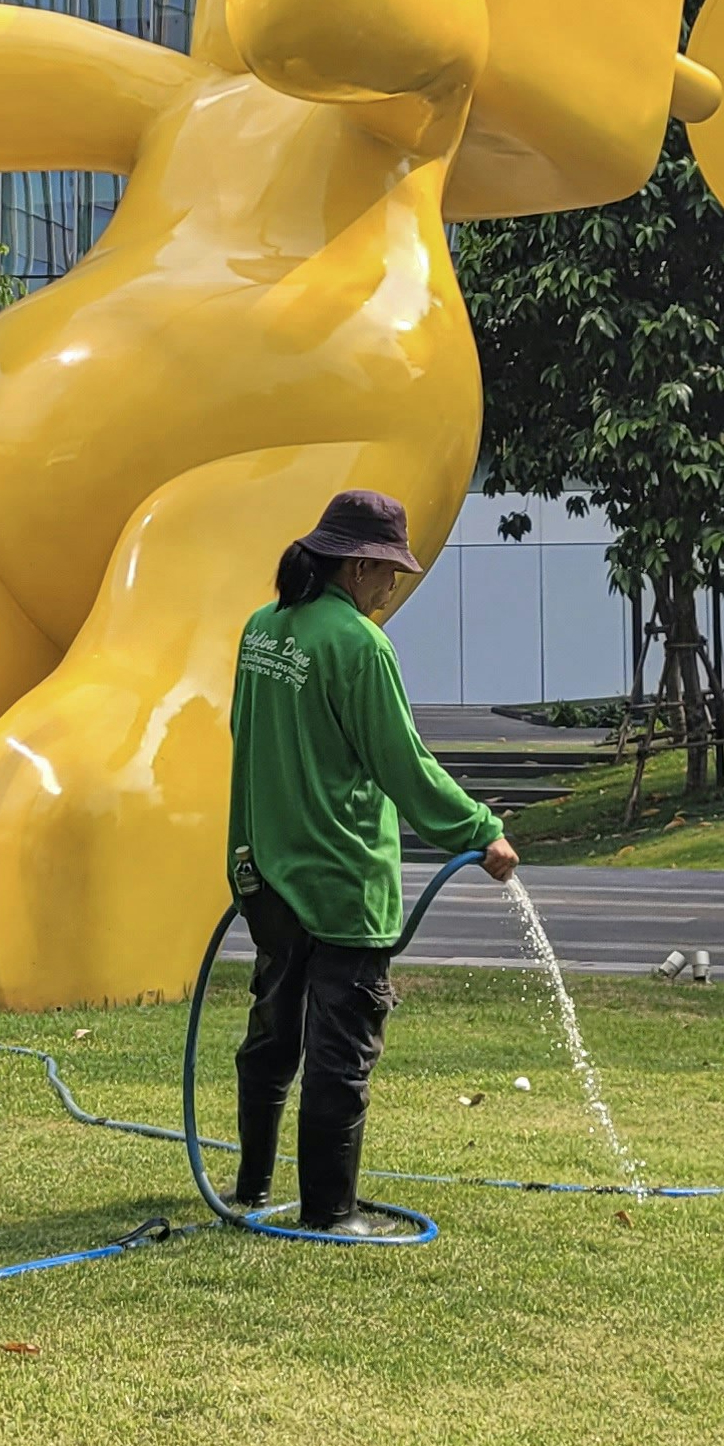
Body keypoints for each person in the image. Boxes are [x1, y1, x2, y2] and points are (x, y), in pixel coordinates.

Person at [223, 488, 517, 1236]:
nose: (395, 588)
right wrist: (481, 830)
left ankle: (251, 1187)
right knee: (341, 1050)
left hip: (267, 874)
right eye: (392, 573)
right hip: (342, 878)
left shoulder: (264, 630)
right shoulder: (358, 644)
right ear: (358, 567)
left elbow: (243, 731)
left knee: (272, 1032)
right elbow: (403, 766)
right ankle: (330, 1212)